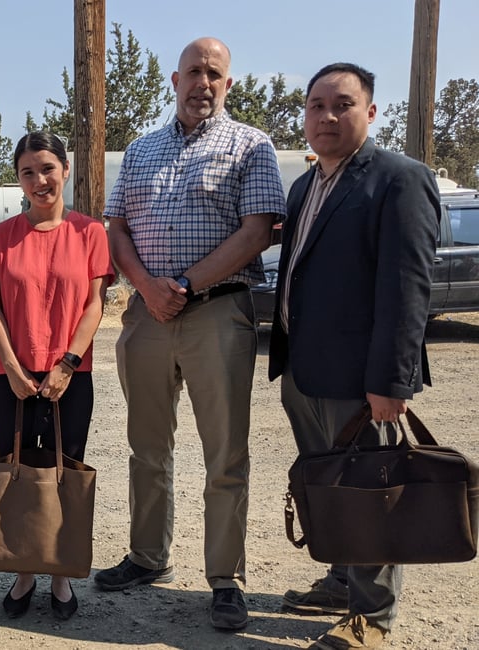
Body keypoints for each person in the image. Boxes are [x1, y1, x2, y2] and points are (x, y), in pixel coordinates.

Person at [95, 37, 287, 631]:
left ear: (227, 84)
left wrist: (181, 283)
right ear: (174, 81)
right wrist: (146, 287)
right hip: (146, 314)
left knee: (225, 452)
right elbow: (117, 228)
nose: (203, 82)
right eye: (193, 72)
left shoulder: (250, 145)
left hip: (217, 313)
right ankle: (147, 556)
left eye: (214, 73)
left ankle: (226, 579)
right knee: (146, 446)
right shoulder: (141, 149)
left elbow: (258, 231)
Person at [269, 63, 439, 650]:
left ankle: (373, 616)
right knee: (330, 487)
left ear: (370, 112)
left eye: (342, 105)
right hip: (306, 370)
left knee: (370, 491)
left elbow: (407, 288)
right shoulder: (305, 186)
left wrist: (391, 380)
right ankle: (343, 581)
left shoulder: (400, 179)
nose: (327, 116)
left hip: (363, 383)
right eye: (316, 105)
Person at [0, 131, 114, 620]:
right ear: (18, 179)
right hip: (9, 377)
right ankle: (23, 569)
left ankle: (60, 571)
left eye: (47, 169)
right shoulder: (3, 235)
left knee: (64, 473)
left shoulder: (90, 233)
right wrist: (13, 368)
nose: (39, 180)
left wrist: (68, 364)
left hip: (70, 375)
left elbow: (94, 304)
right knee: (19, 471)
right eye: (28, 172)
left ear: (65, 170)